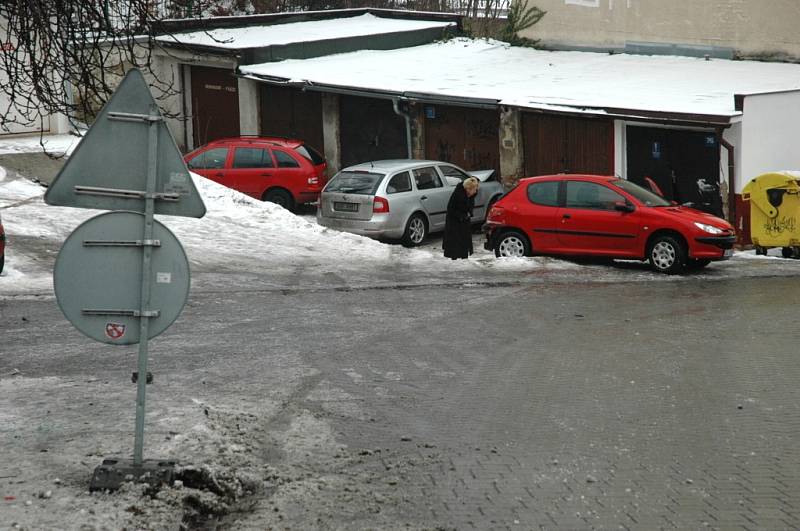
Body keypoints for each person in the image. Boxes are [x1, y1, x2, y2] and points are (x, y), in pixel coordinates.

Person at [443, 177, 479, 259]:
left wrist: (469, 213)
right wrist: (462, 216)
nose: (476, 191)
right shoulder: (458, 194)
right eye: (474, 189)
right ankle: (455, 258)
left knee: (464, 241)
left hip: (464, 221)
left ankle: (463, 256)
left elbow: (470, 205)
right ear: (468, 188)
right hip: (454, 222)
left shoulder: (470, 195)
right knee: (456, 243)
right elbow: (450, 209)